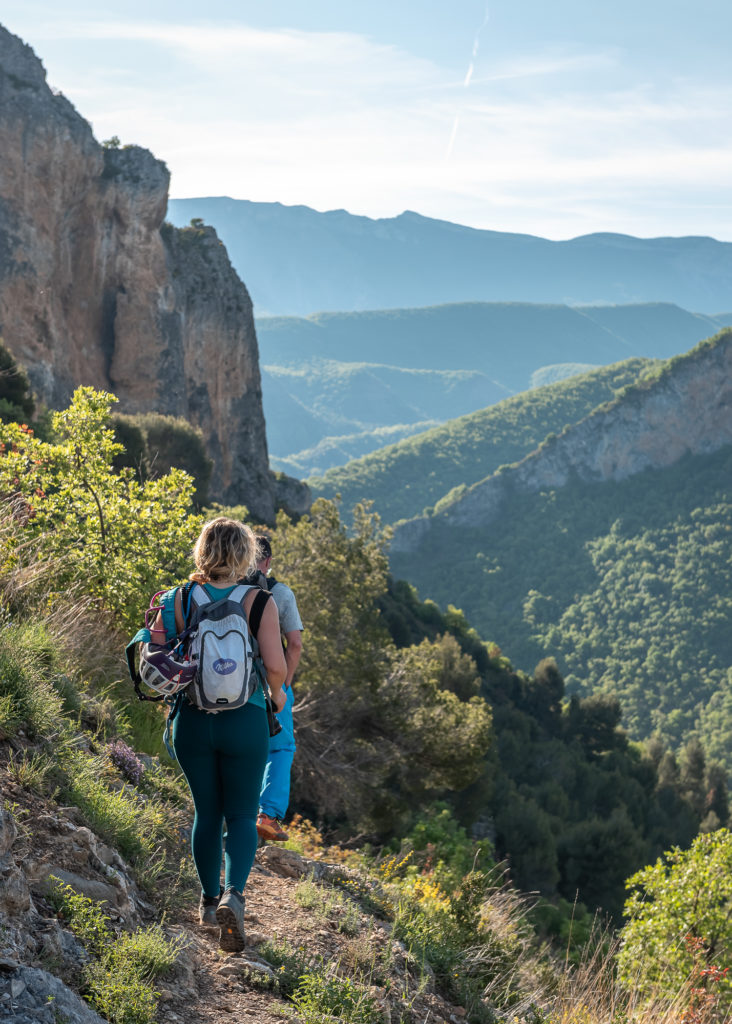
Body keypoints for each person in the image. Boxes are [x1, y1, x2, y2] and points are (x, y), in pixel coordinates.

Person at [153, 517, 287, 952]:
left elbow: (156, 657)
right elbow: (276, 668)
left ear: (203, 551)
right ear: (246, 555)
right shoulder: (259, 601)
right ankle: (235, 895)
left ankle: (209, 902)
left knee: (206, 813)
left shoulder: (177, 598)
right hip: (245, 722)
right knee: (243, 815)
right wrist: (278, 696)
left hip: (192, 721)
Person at [250, 535, 303, 843]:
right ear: (267, 562)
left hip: (224, 683)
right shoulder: (279, 593)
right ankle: (267, 816)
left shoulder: (224, 586)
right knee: (280, 747)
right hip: (268, 682)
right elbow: (294, 644)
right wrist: (283, 684)